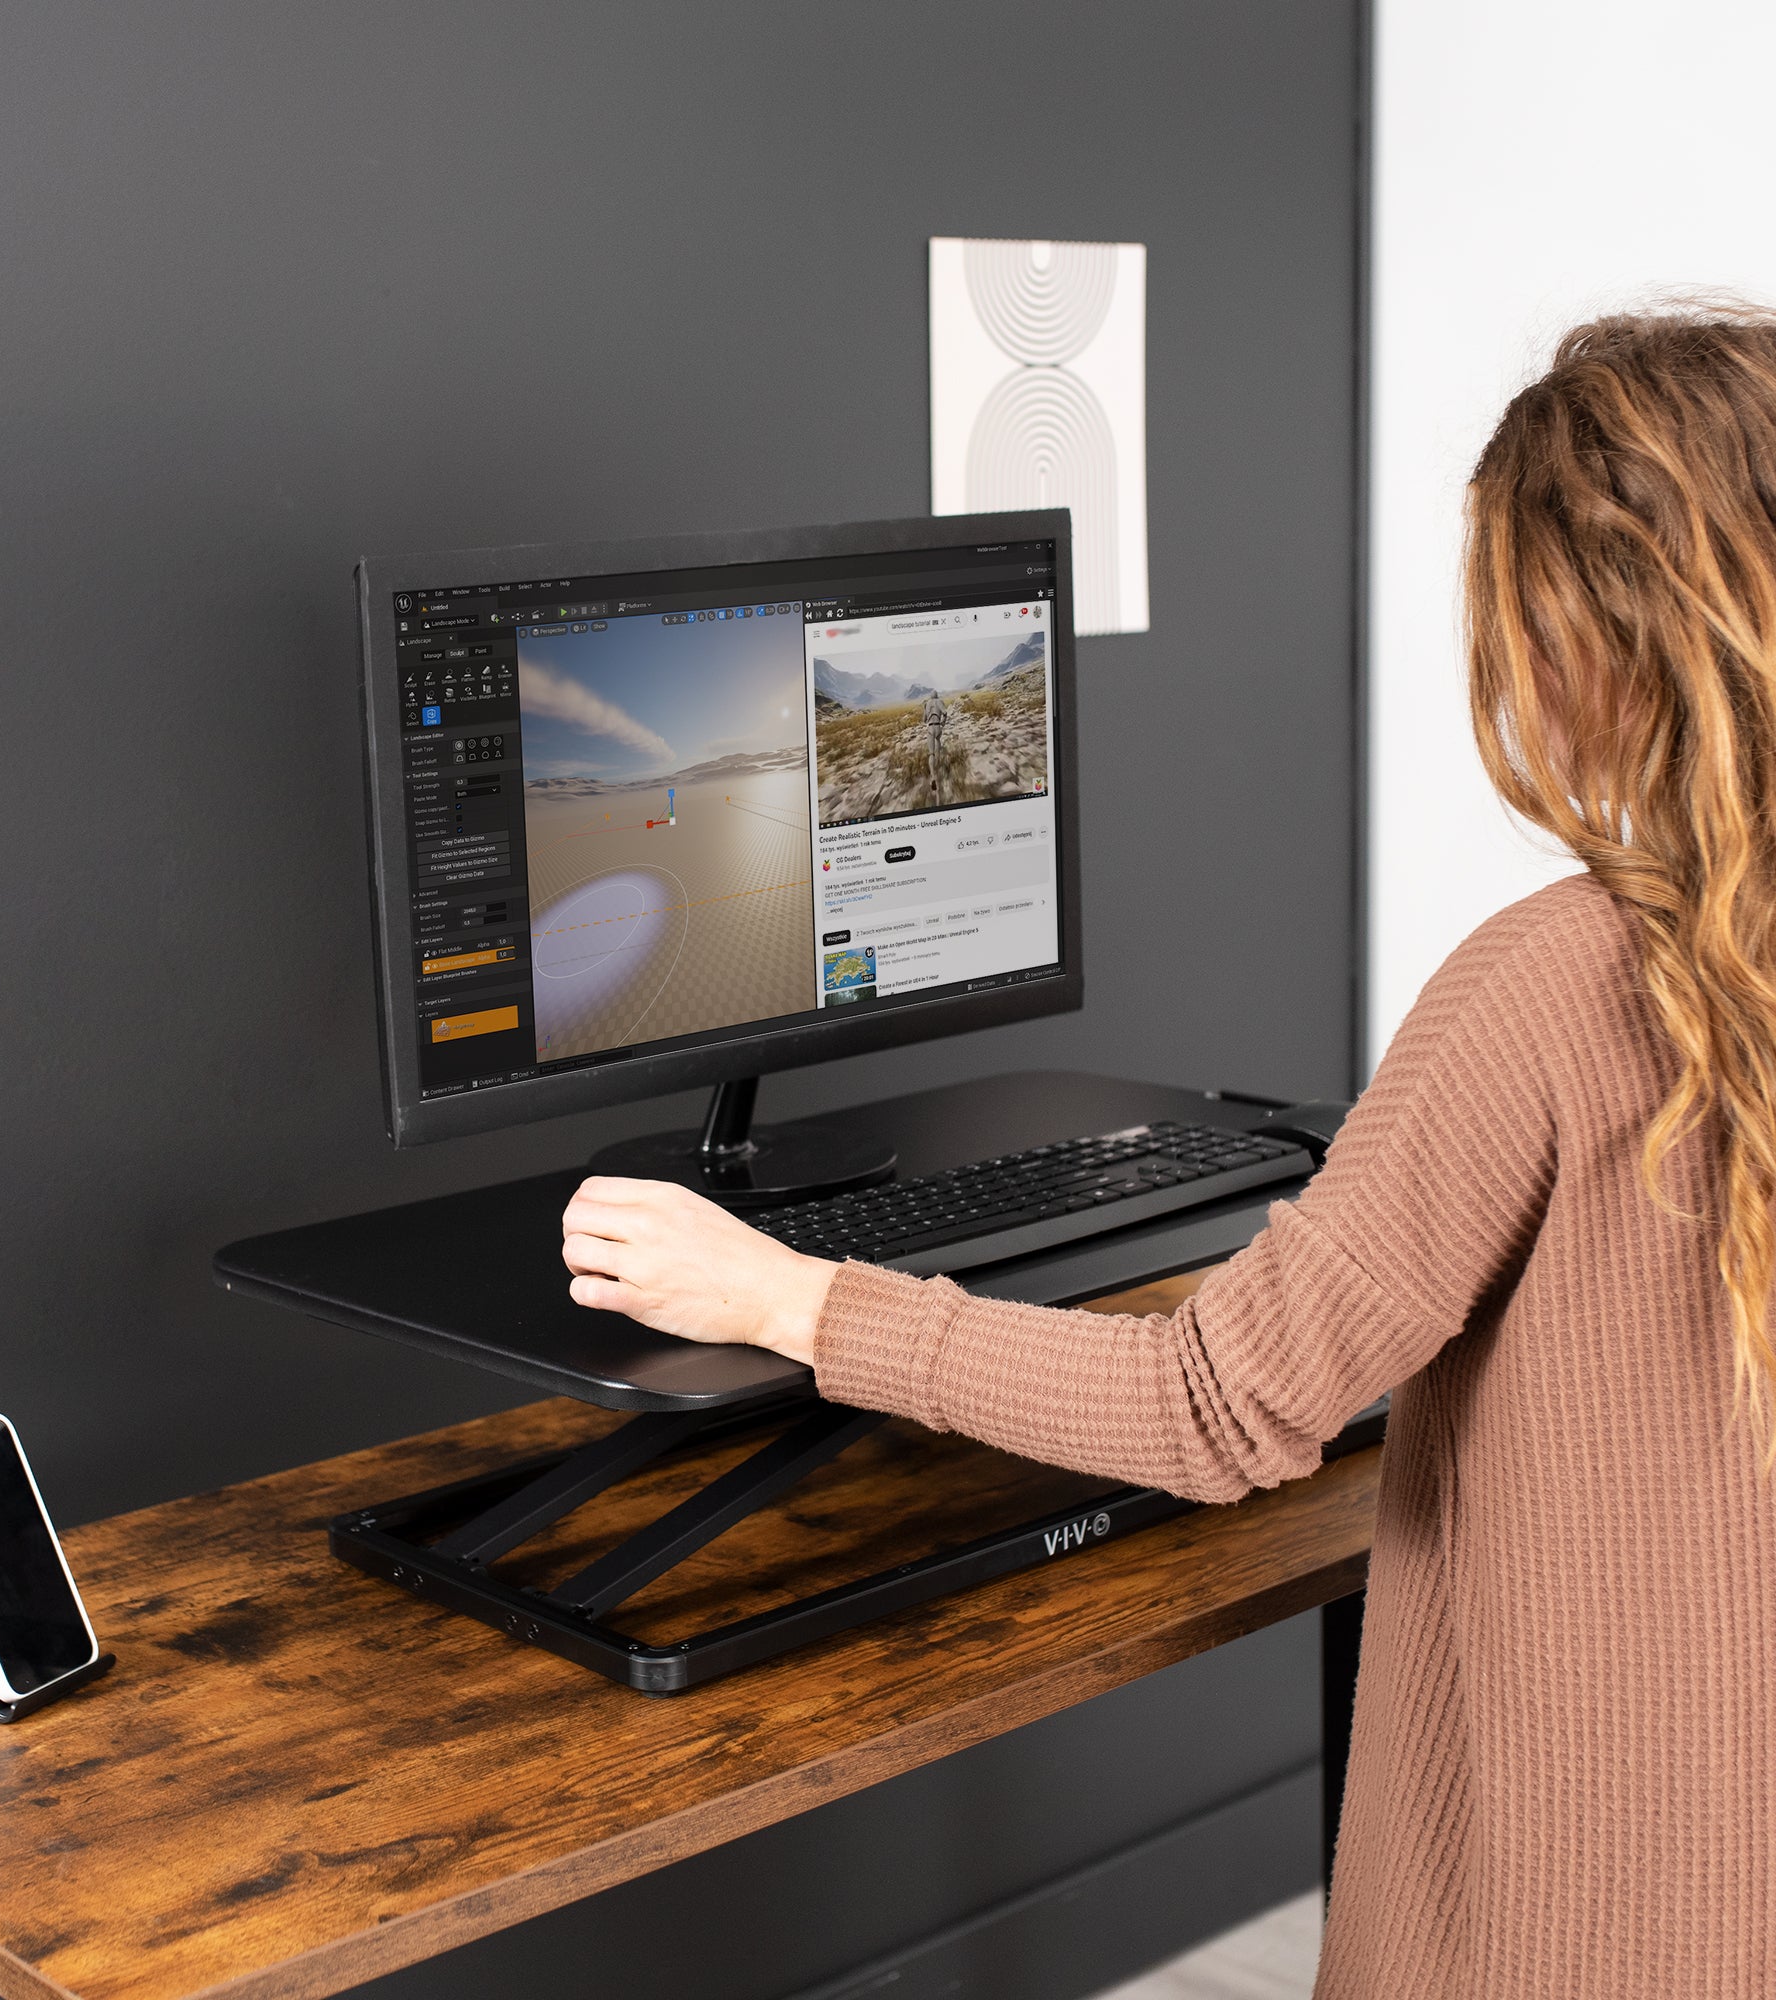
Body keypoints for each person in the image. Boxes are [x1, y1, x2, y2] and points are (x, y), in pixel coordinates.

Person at [561, 308, 1776, 1997]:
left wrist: (790, 1299)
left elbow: (1220, 1412)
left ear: (1601, 649)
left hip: (1600, 1918)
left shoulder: (1558, 986)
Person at [922, 687, 948, 803]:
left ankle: (933, 776)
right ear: (936, 695)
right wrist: (943, 722)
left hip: (930, 727)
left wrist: (925, 709)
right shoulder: (940, 701)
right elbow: (945, 713)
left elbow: (924, 720)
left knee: (930, 753)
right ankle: (939, 767)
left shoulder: (927, 703)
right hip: (938, 726)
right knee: (938, 745)